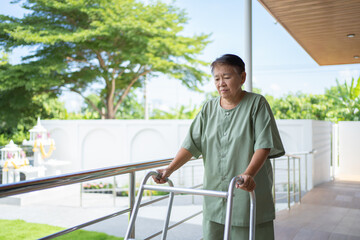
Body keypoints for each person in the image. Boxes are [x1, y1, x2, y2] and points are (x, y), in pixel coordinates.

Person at [153, 54, 285, 239]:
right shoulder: (208, 108)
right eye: (217, 78)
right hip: (214, 195)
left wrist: (248, 175)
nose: (221, 83)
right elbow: (191, 144)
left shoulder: (257, 104)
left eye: (227, 77)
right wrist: (169, 169)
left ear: (242, 78)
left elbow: (263, 146)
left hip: (246, 194)